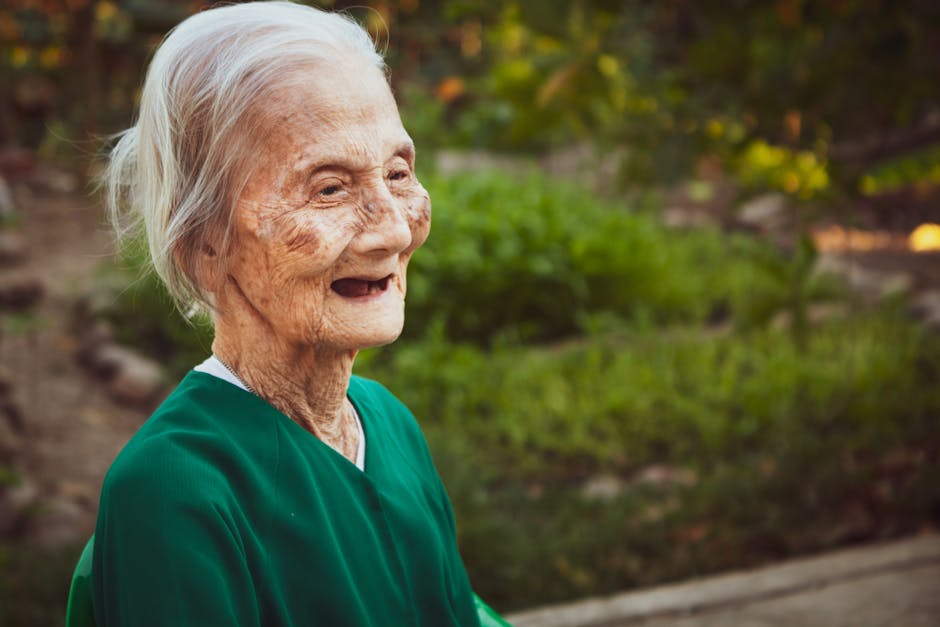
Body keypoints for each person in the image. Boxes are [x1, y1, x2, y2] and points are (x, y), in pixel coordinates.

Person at [92, 2, 507, 625]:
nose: (393, 230)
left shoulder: (388, 425)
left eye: (398, 173)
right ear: (204, 246)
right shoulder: (173, 490)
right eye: (330, 187)